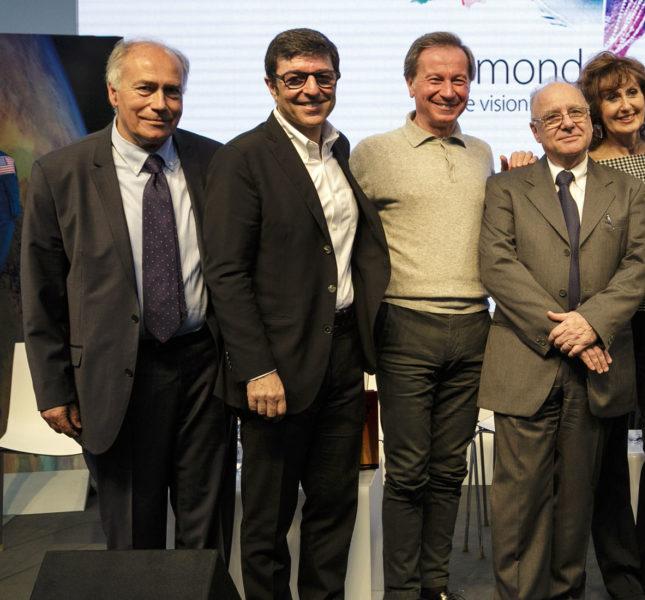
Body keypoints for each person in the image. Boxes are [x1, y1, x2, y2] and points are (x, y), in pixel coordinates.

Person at [21, 40, 234, 556]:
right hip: (119, 375)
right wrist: (52, 388)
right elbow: (42, 290)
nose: (160, 103)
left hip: (205, 371)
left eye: (173, 91)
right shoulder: (61, 173)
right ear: (113, 92)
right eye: (146, 89)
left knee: (207, 533)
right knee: (134, 538)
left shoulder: (215, 161)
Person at [201, 28, 389, 599]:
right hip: (274, 371)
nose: (311, 89)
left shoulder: (340, 149)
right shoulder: (243, 157)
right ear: (270, 85)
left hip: (340, 361)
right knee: (267, 520)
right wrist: (256, 368)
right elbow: (226, 274)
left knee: (333, 509)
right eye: (296, 79)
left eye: (322, 77)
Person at [478, 81, 645, 600]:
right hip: (525, 362)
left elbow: (639, 263)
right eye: (551, 117)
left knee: (576, 506)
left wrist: (592, 322)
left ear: (591, 120)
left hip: (596, 370)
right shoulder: (506, 188)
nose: (567, 122)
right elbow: (497, 265)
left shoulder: (624, 189)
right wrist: (566, 330)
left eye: (575, 112)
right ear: (534, 129)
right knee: (518, 506)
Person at [349, 31, 489, 600]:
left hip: (475, 327)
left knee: (450, 470)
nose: (448, 90)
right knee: (407, 472)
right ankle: (401, 593)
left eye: (459, 79)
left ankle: (436, 587)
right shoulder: (373, 152)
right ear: (411, 83)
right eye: (436, 78)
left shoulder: (481, 152)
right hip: (405, 326)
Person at [576, 51, 645, 600]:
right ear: (595, 107)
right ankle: (622, 574)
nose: (625, 104)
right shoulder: (582, 164)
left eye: (633, 93)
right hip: (605, 326)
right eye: (611, 96)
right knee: (608, 452)